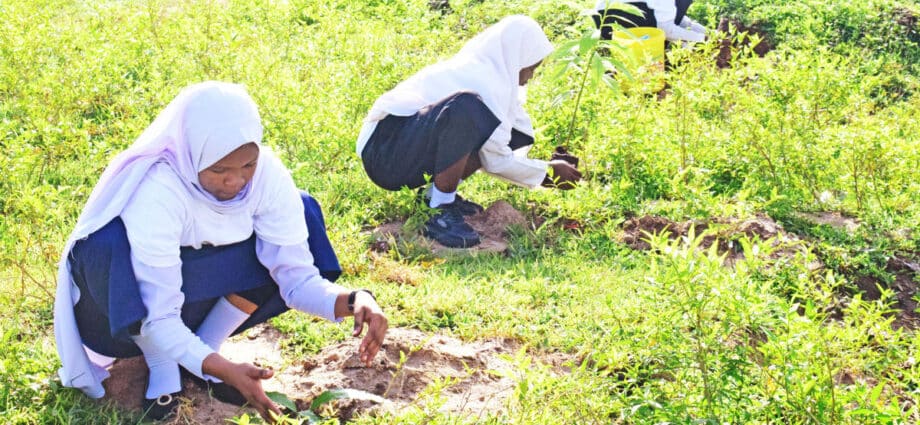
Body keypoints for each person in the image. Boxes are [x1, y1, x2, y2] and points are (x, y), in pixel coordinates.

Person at [53, 81, 388, 422]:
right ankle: (163, 368)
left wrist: (356, 300)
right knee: (104, 245)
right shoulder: (159, 190)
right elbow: (160, 315)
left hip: (198, 289)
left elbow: (296, 279)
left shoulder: (267, 177)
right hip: (119, 314)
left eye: (247, 165)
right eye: (219, 170)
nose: (236, 180)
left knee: (303, 208)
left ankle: (206, 351)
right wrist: (228, 370)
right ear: (191, 153)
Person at [356, 15, 582, 248]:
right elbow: (496, 160)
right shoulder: (481, 78)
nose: (531, 75)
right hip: (384, 151)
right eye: (532, 67)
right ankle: (438, 211)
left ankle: (432, 197)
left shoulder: (493, 77)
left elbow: (504, 140)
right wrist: (548, 173)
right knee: (467, 108)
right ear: (517, 58)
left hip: (403, 146)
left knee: (509, 129)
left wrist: (546, 167)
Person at [593, 0, 708, 43]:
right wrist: (704, 39)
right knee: (665, 31)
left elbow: (676, 16)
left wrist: (708, 32)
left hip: (609, 15)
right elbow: (666, 30)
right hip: (612, 20)